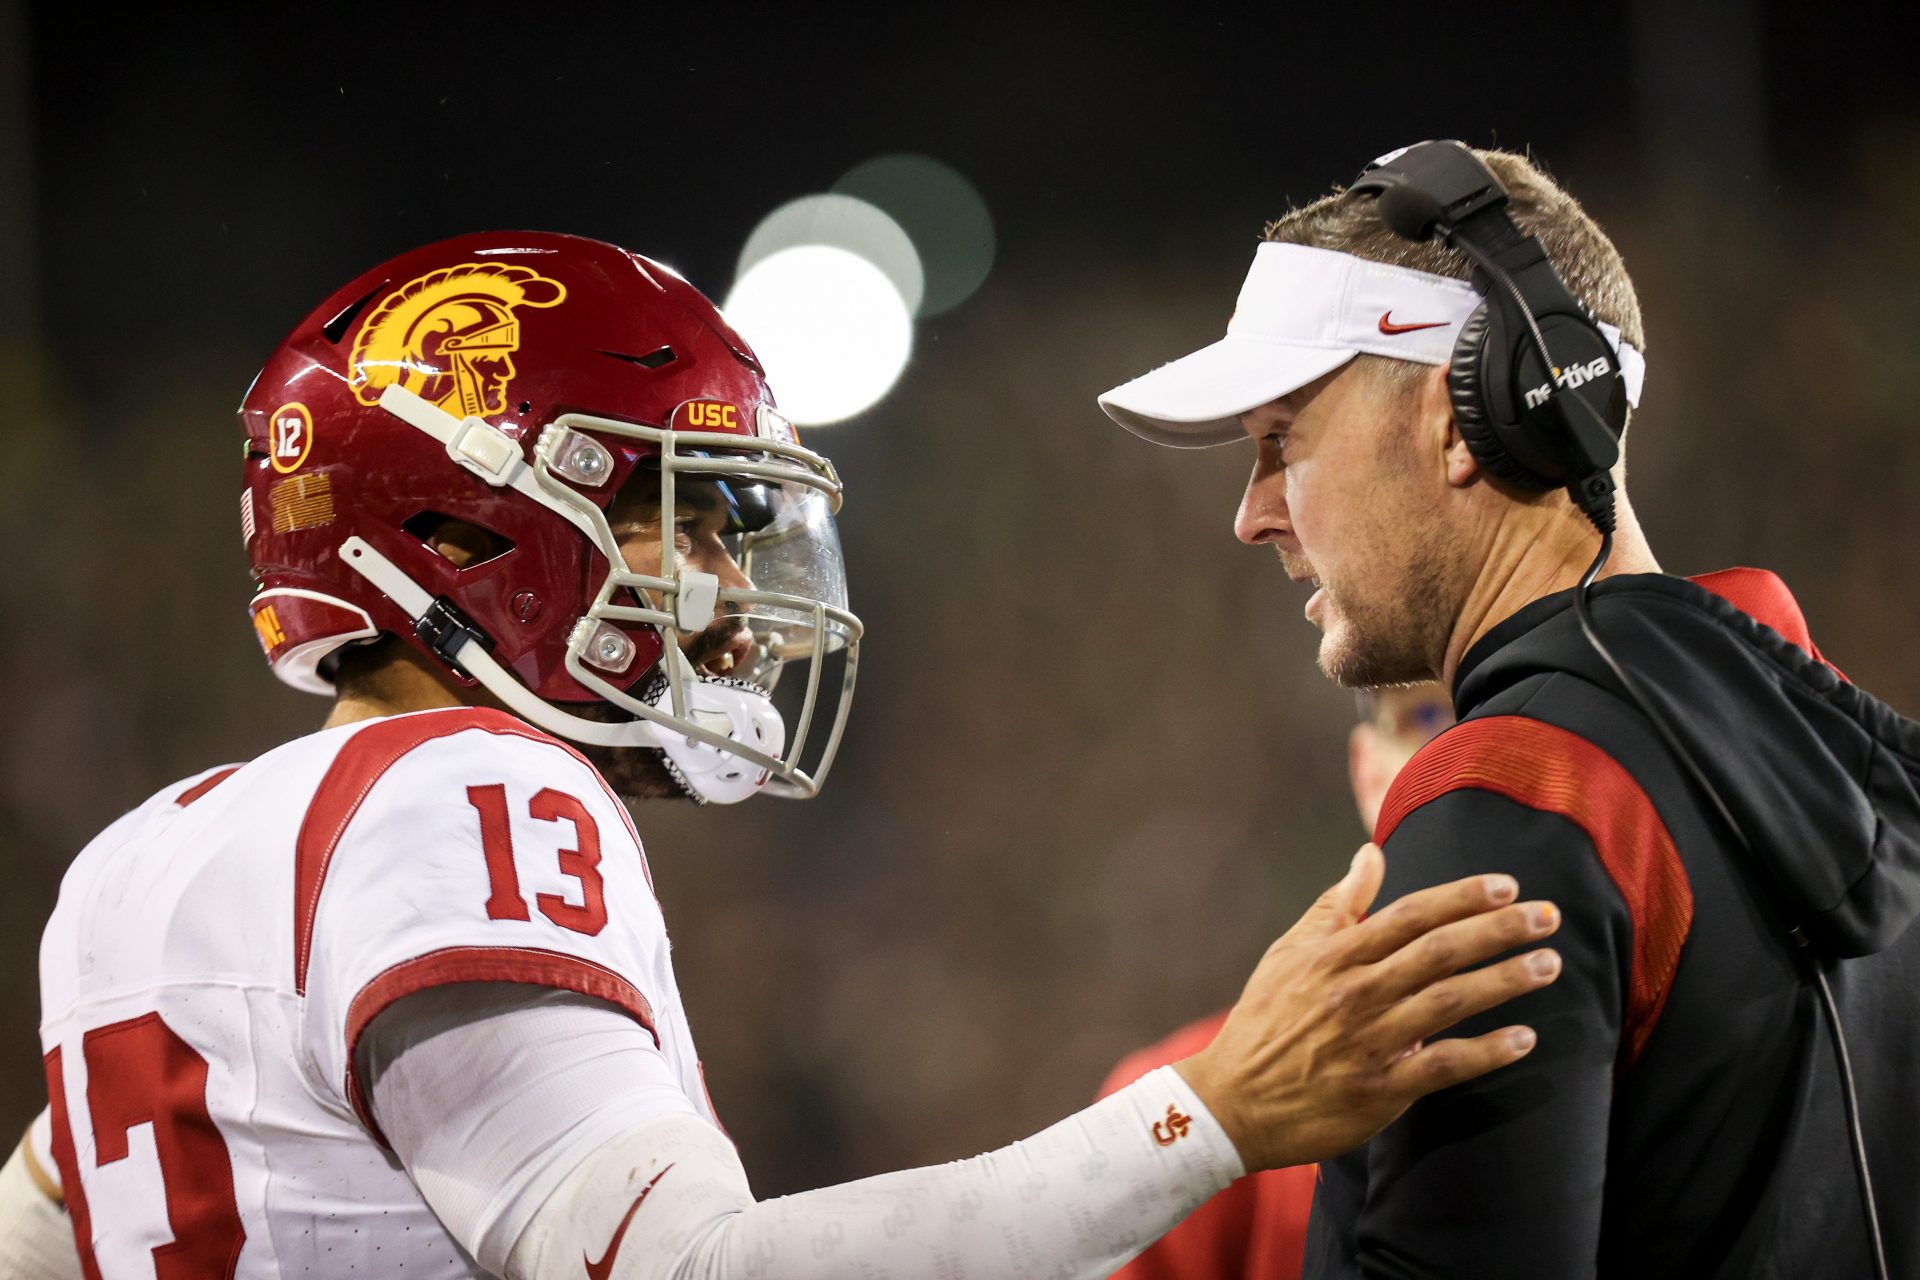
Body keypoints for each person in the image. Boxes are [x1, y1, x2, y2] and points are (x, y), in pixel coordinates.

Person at [1, 231, 1566, 1279]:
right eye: (682, 513)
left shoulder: (140, 860)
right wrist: (1215, 1111)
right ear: (472, 521)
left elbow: (41, 1222)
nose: (734, 589)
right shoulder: (467, 791)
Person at [1099, 142, 1920, 1278]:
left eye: (1281, 440)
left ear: (1459, 415)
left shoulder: (1506, 794)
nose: (1254, 514)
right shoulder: (1851, 765)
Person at [1098, 684, 1454, 1280]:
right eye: (1428, 716)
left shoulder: (1659, 1065)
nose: (1471, 748)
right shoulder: (1184, 1106)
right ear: (1370, 776)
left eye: (1498, 710)